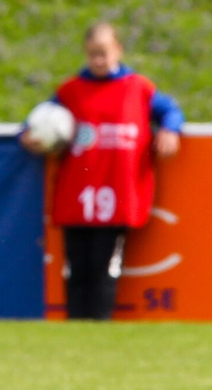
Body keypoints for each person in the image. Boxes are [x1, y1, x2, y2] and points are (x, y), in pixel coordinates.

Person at [20, 22, 183, 319]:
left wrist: (171, 129)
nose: (98, 60)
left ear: (118, 50)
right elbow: (40, 119)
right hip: (78, 193)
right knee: (76, 266)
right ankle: (77, 326)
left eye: (104, 53)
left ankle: (98, 325)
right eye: (92, 54)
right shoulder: (71, 91)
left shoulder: (139, 88)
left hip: (119, 192)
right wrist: (28, 135)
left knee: (104, 265)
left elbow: (171, 110)